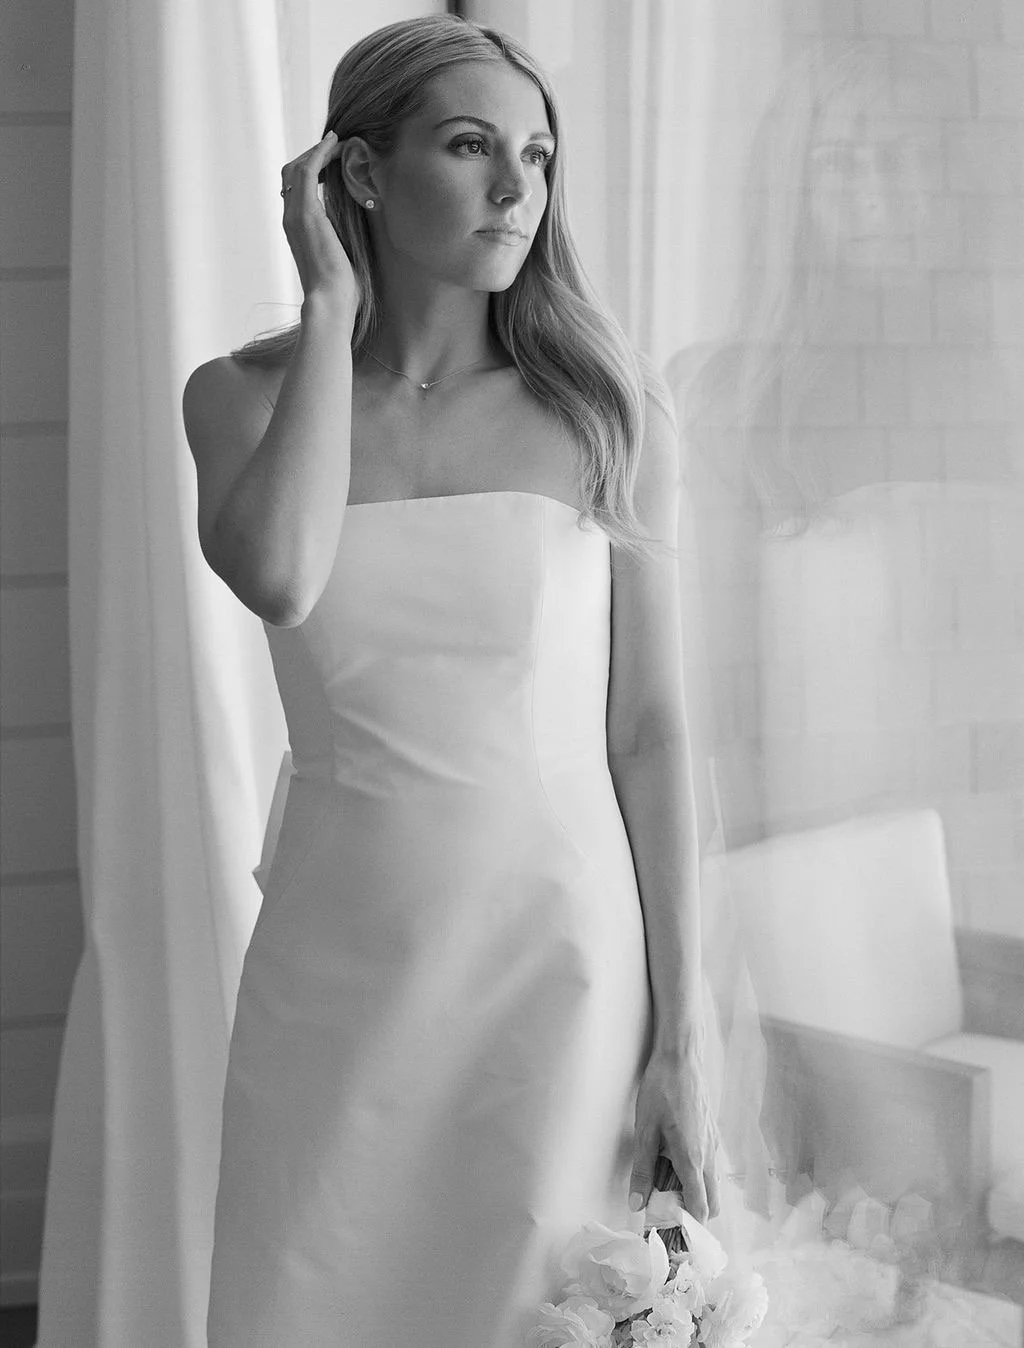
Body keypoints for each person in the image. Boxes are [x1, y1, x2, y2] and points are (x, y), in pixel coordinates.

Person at [182, 15, 717, 1345]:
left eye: (536, 155)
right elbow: (280, 576)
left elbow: (650, 731)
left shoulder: (604, 407)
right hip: (339, 956)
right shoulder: (238, 399)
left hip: (556, 962)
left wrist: (683, 1034)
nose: (516, 189)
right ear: (358, 175)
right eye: (470, 147)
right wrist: (330, 311)